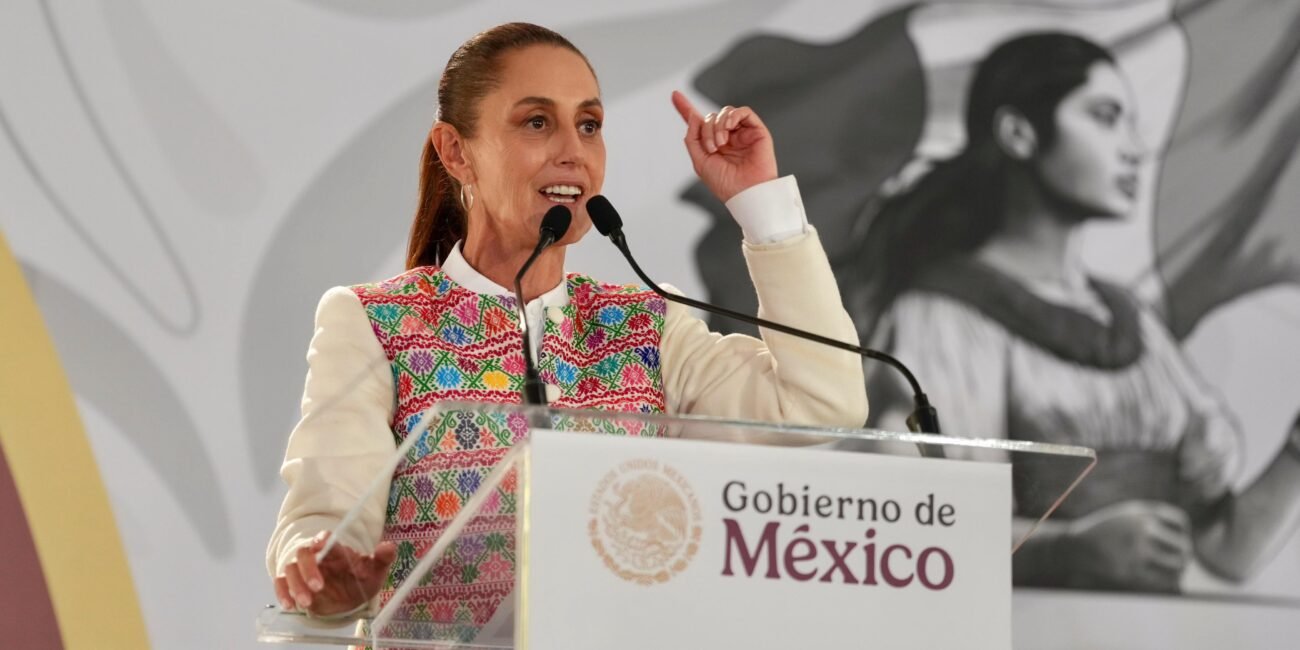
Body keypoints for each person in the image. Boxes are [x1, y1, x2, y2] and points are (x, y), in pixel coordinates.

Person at [266, 22, 867, 625]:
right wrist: (323, 569)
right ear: (456, 151)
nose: (573, 152)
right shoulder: (374, 321)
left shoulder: (648, 326)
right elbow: (326, 513)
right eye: (536, 122)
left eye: (589, 125)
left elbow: (821, 403)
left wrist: (761, 205)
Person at [855, 32, 1300, 592]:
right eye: (1106, 116)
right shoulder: (943, 316)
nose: (1135, 148)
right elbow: (924, 528)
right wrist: (1067, 550)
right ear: (1018, 133)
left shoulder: (1129, 322)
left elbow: (1224, 551)